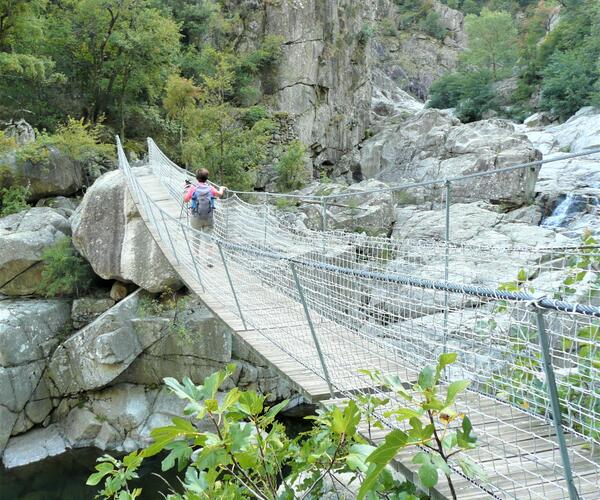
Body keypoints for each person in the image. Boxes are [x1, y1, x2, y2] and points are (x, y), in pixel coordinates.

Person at [184, 168, 227, 265]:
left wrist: (185, 190)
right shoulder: (210, 188)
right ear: (207, 178)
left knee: (196, 236)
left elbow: (186, 200)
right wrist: (222, 188)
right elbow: (219, 194)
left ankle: (197, 258)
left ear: (196, 178)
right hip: (208, 217)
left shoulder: (193, 188)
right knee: (208, 237)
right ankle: (209, 259)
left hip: (196, 217)